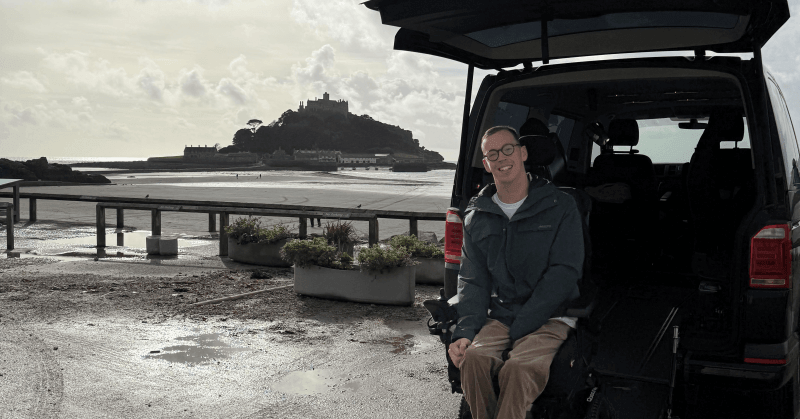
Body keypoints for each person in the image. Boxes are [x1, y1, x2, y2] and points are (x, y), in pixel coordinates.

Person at [448, 126, 584, 419]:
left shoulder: (561, 205)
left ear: (522, 153)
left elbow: (564, 272)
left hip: (551, 315)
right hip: (502, 315)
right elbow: (472, 280)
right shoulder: (476, 215)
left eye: (508, 149)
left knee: (519, 369)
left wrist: (520, 327)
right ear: (486, 164)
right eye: (492, 154)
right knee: (472, 359)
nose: (501, 158)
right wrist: (464, 332)